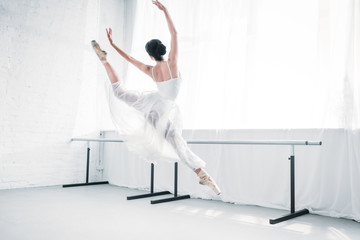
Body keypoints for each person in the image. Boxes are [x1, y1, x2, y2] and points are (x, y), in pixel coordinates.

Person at [91, 0, 221, 195]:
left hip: (151, 104)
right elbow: (175, 34)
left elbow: (130, 59)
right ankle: (201, 174)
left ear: (150, 56)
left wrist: (112, 44)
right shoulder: (172, 63)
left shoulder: (151, 70)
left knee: (119, 92)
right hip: (163, 108)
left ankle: (105, 61)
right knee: (178, 144)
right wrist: (165, 10)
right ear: (162, 51)